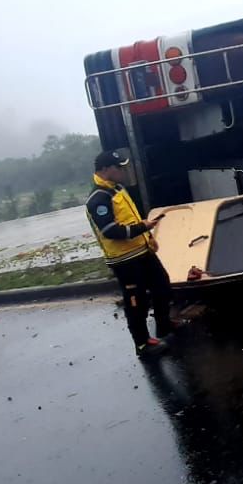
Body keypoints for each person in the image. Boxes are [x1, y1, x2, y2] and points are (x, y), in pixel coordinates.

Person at [87, 151, 175, 358]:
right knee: (136, 301)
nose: (123, 171)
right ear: (106, 169)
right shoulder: (98, 198)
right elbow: (110, 231)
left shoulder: (117, 189)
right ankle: (143, 344)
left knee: (162, 284)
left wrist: (146, 235)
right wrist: (141, 228)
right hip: (124, 260)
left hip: (141, 251)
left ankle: (164, 325)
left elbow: (129, 218)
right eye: (119, 167)